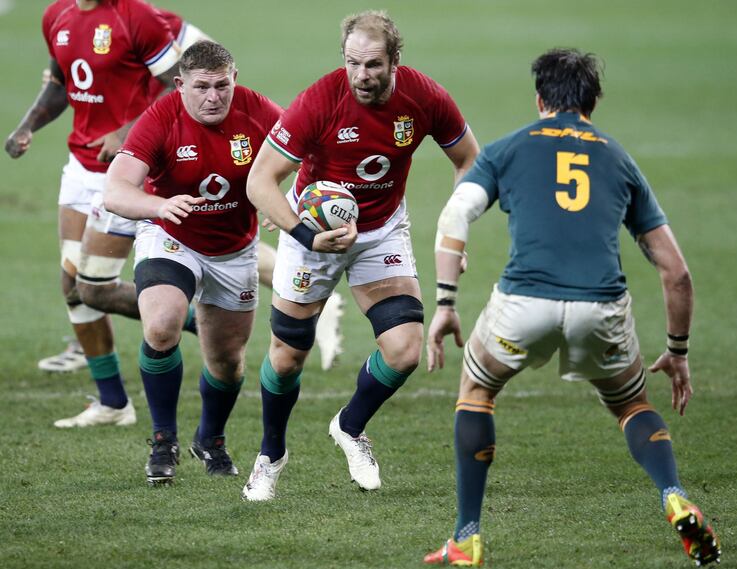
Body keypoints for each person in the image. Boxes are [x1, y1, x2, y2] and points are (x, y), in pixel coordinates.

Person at [422, 48, 721, 568]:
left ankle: (467, 537)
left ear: (540, 98)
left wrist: (446, 302)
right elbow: (677, 272)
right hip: (600, 310)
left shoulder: (509, 148)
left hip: (523, 305)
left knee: (476, 391)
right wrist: (677, 350)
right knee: (630, 405)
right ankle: (673, 496)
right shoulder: (618, 157)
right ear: (593, 102)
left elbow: (455, 216)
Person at [242, 10, 480, 501]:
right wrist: (305, 236)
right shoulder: (319, 101)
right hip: (313, 236)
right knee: (286, 358)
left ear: (396, 59)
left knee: (405, 350)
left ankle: (350, 427)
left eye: (373, 64)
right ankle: (270, 455)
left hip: (382, 229)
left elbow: (468, 160)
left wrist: (458, 231)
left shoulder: (426, 98)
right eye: (353, 63)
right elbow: (259, 181)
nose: (361, 76)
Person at [35, 4, 345, 376]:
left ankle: (118, 393)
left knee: (212, 233)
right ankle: (191, 324)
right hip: (116, 172)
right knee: (89, 287)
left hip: (163, 159)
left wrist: (280, 199)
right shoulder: (63, 16)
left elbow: (206, 62)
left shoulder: (144, 19)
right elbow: (68, 78)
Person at [104, 40, 283, 485]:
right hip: (171, 237)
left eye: (223, 85)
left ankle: (211, 438)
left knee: (227, 362)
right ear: (181, 85)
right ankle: (163, 440)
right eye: (202, 87)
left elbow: (311, 158)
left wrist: (287, 202)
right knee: (162, 324)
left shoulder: (260, 112)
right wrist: (157, 206)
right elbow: (115, 191)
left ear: (234, 79)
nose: (214, 97)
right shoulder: (161, 117)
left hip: (235, 248)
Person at [4, 0, 183, 427]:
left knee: (91, 286)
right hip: (80, 170)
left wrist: (125, 134)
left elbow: (177, 86)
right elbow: (62, 82)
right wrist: (27, 125)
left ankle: (208, 322)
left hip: (128, 174)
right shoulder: (57, 16)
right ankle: (114, 403)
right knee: (73, 286)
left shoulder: (136, 16)